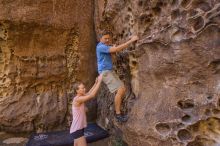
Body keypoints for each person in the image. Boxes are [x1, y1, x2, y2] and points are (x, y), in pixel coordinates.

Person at [96, 31, 139, 122]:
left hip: (109, 71)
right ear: (100, 39)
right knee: (120, 89)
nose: (107, 40)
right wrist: (131, 41)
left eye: (108, 38)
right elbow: (115, 50)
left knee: (122, 89)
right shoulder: (100, 47)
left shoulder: (106, 46)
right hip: (105, 72)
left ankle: (118, 109)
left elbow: (114, 55)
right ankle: (118, 114)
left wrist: (113, 50)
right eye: (105, 38)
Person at [70, 74, 102, 146]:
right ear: (77, 91)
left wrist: (95, 83)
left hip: (78, 129)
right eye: (82, 88)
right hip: (77, 130)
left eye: (84, 87)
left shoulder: (81, 96)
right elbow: (92, 95)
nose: (84, 89)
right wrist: (100, 82)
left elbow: (90, 92)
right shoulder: (78, 99)